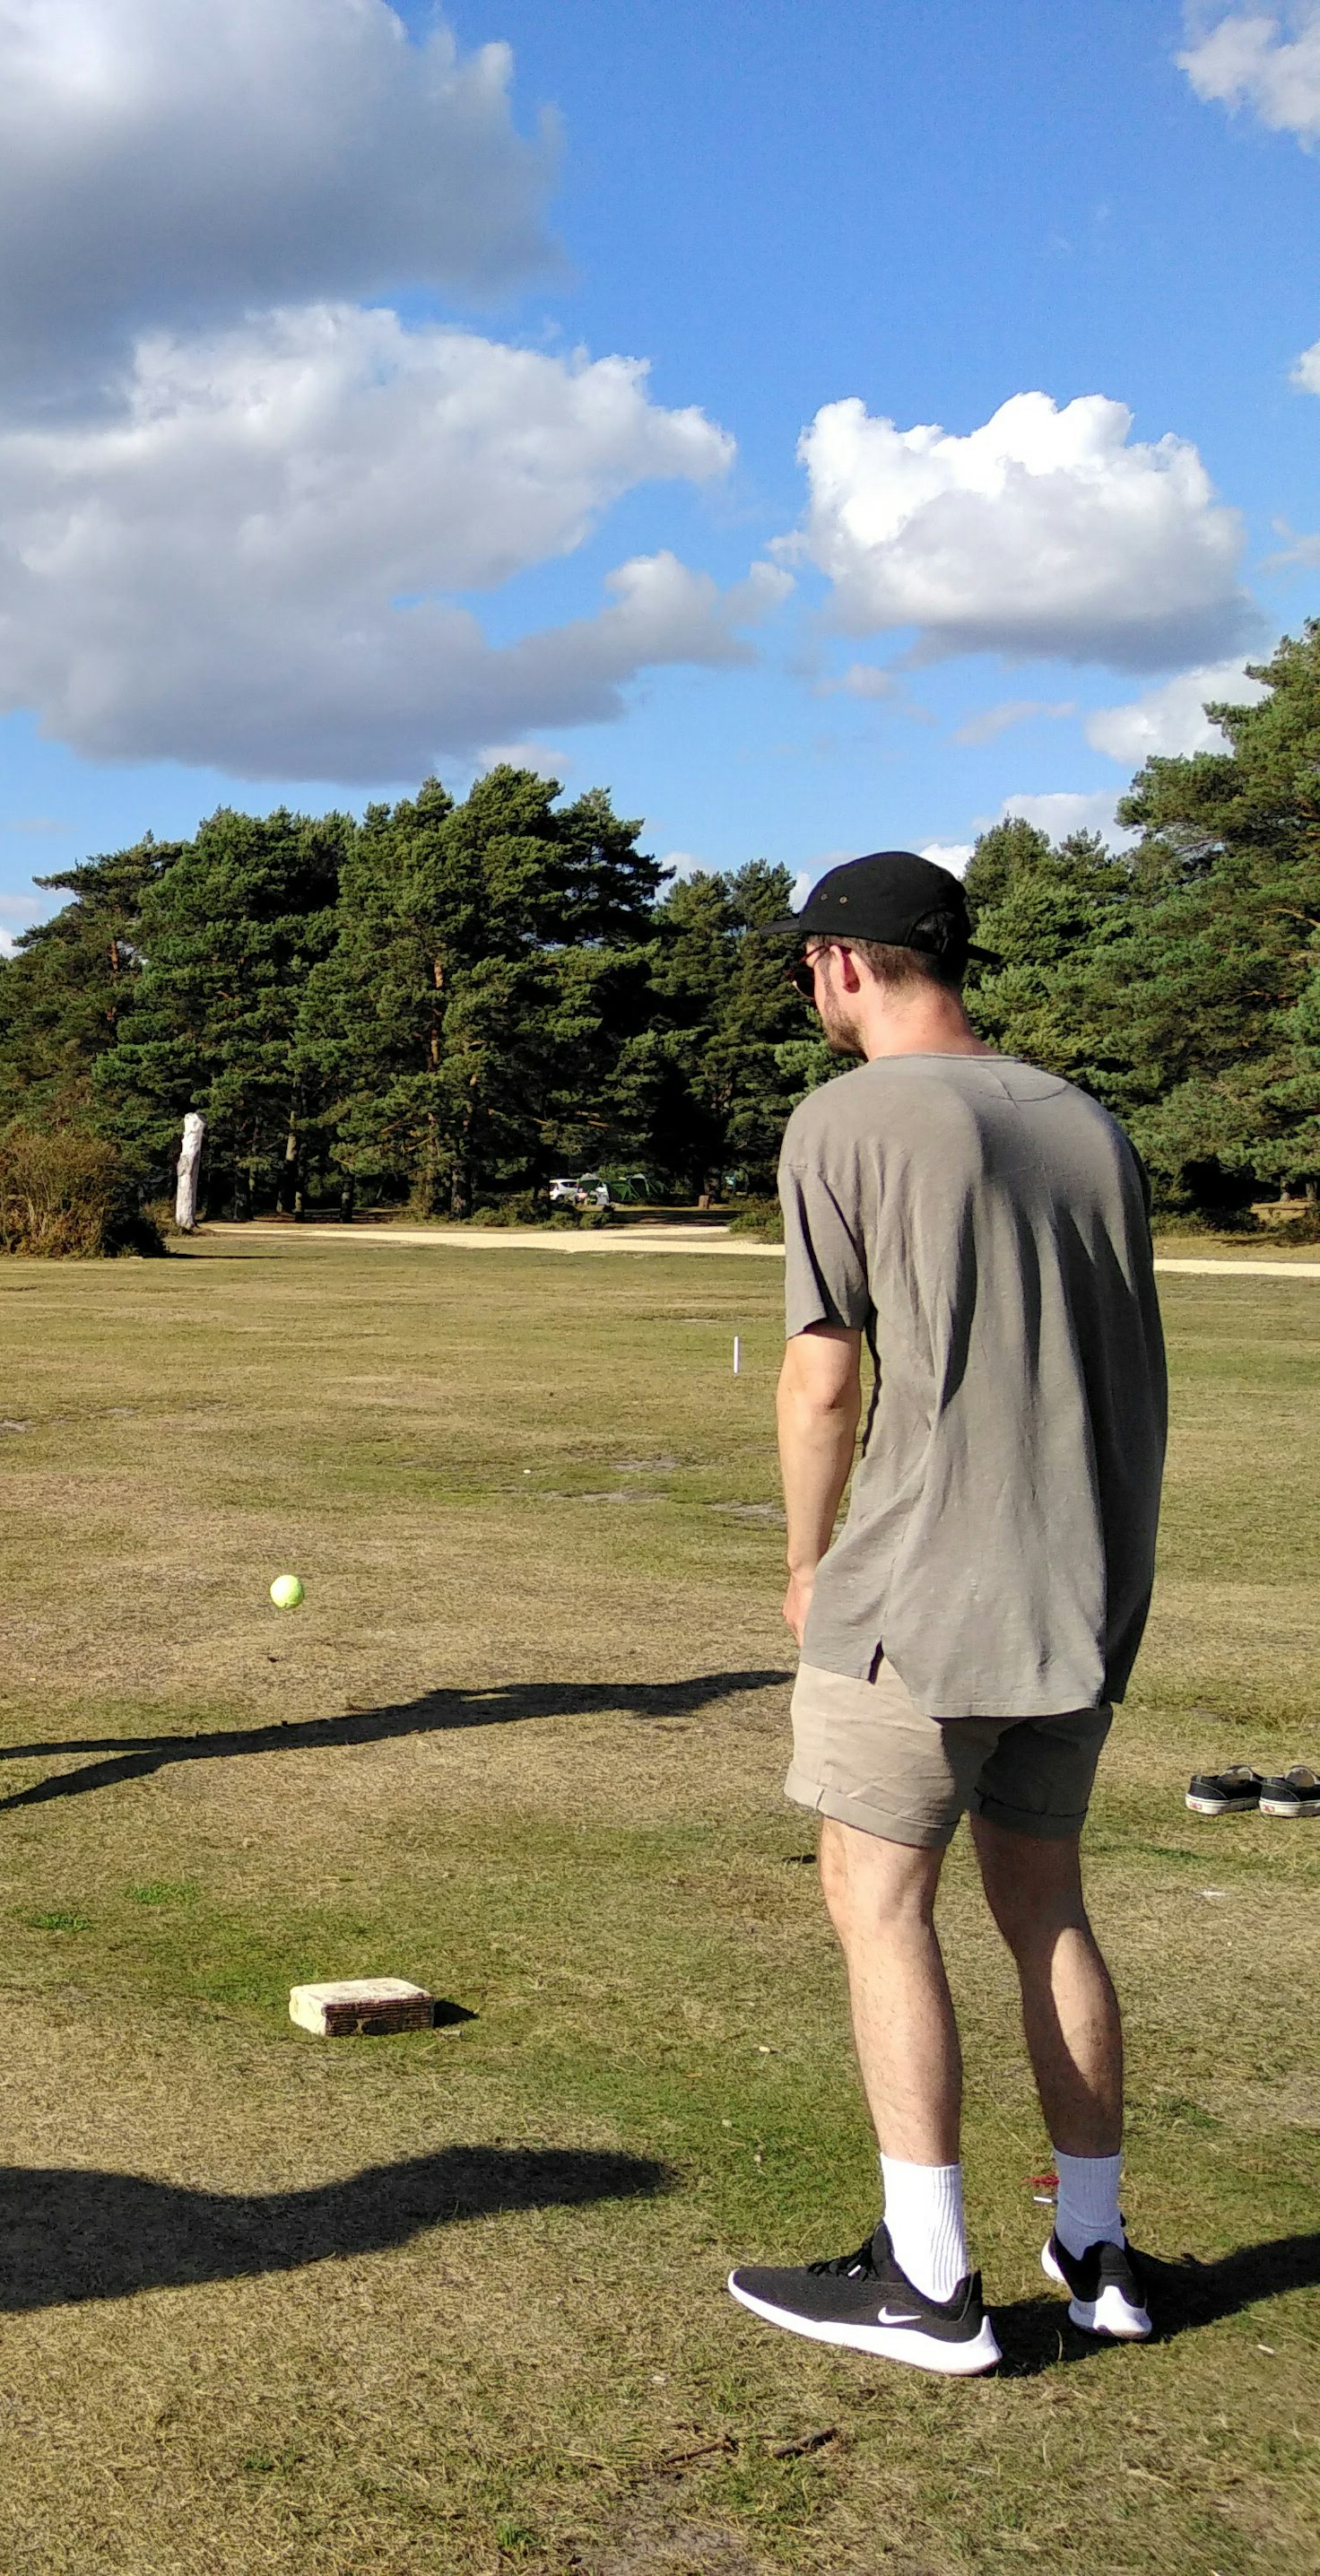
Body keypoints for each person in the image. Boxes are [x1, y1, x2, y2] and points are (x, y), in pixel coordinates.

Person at [721, 852, 1168, 2376]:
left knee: (876, 1896)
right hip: (1089, 1586)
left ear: (844, 963)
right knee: (1045, 1899)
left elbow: (823, 1369)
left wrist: (804, 1556)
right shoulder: (1088, 1123)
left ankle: (928, 2281)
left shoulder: (843, 1119)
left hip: (924, 1583)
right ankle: (1098, 2247)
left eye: (807, 966)